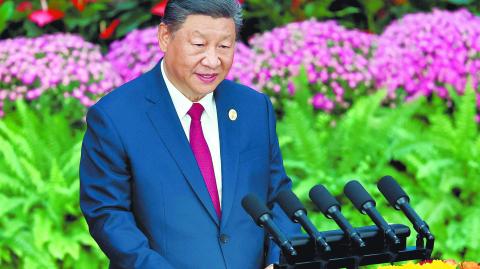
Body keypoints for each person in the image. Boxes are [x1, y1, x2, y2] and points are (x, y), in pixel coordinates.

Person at [79, 1, 299, 268]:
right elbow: (108, 216)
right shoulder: (115, 117)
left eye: (224, 46)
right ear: (165, 37)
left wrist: (280, 260)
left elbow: (279, 197)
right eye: (198, 45)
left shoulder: (253, 108)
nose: (212, 60)